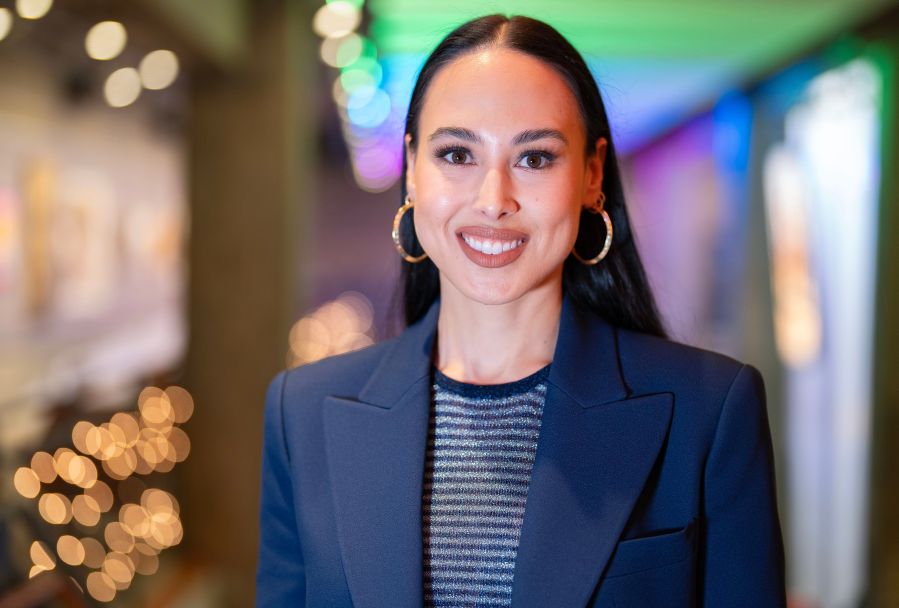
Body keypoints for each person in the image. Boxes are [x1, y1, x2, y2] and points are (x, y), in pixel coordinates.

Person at [256, 14, 786, 607]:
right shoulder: (300, 414)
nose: (493, 201)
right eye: (457, 153)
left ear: (590, 175)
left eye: (534, 159)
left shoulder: (709, 411)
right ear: (411, 169)